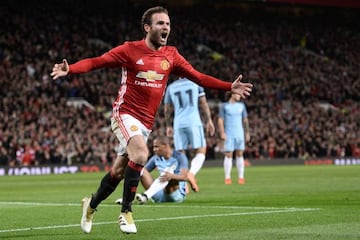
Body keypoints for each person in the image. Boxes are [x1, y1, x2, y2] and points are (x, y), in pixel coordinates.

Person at [50, 6, 253, 235]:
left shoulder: (172, 55)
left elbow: (198, 77)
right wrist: (71, 69)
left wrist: (229, 86)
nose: (165, 27)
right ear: (147, 28)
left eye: (167, 23)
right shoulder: (129, 50)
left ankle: (91, 205)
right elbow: (98, 62)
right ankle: (126, 212)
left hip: (145, 122)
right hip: (124, 113)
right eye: (160, 23)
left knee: (118, 172)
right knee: (140, 154)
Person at [163, 77, 215, 192]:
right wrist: (209, 120)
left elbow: (167, 109)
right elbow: (203, 103)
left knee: (180, 154)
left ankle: (183, 185)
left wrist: (168, 125)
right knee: (201, 151)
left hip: (178, 124)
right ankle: (191, 174)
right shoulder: (196, 84)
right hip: (194, 122)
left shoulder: (171, 87)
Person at [115, 136, 188, 204]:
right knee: (140, 169)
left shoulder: (180, 157)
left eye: (156, 147)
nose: (154, 150)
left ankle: (146, 195)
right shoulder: (155, 158)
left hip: (175, 194)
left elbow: (184, 177)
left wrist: (171, 176)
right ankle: (128, 198)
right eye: (153, 147)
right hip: (159, 193)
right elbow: (140, 173)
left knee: (168, 172)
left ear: (166, 146)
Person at [217, 92, 250, 185]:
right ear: (232, 94)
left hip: (239, 134)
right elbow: (220, 120)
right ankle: (227, 178)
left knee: (240, 154)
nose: (240, 96)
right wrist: (222, 132)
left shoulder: (242, 106)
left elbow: (245, 120)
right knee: (228, 155)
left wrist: (247, 132)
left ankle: (241, 177)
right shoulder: (224, 106)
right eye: (238, 94)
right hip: (229, 134)